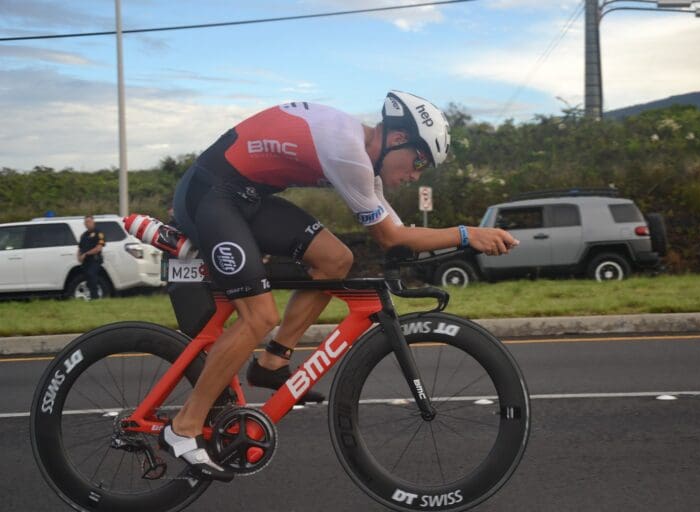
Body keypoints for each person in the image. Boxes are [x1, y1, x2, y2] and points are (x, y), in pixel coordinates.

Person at [163, 91, 519, 480]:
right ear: (398, 139)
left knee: (335, 261)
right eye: (419, 161)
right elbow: (391, 238)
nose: (417, 174)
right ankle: (184, 426)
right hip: (211, 195)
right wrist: (467, 235)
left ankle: (272, 362)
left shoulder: (365, 161)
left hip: (245, 198)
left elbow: (399, 233)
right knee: (258, 317)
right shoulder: (348, 152)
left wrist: (451, 239)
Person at [76, 215, 106, 300]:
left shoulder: (99, 233)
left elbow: (99, 248)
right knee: (88, 279)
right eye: (86, 222)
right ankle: (92, 297)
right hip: (86, 261)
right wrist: (79, 256)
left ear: (93, 222)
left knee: (92, 275)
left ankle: (95, 297)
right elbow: (80, 248)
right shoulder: (84, 235)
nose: (87, 224)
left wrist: (86, 254)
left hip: (95, 260)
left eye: (89, 222)